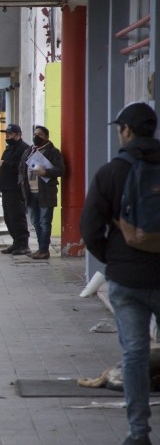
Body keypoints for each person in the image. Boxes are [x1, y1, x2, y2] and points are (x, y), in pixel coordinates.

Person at [81, 102, 160, 445]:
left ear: (126, 130)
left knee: (134, 353)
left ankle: (138, 432)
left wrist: (113, 258)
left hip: (126, 279)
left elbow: (89, 228)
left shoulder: (111, 173)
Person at [18, 125, 65, 260]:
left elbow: (61, 170)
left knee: (45, 222)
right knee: (35, 221)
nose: (36, 136)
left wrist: (46, 172)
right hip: (30, 192)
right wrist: (21, 181)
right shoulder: (28, 151)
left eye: (40, 134)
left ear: (47, 137)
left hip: (46, 193)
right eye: (35, 134)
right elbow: (21, 168)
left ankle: (44, 250)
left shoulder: (53, 152)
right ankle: (40, 248)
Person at [0, 124, 31, 255]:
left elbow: (22, 167)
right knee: (9, 217)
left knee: (17, 217)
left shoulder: (24, 148)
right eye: (6, 134)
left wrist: (5, 163)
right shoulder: (9, 148)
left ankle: (23, 244)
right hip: (7, 188)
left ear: (18, 135)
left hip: (16, 189)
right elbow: (3, 170)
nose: (7, 136)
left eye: (10, 134)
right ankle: (16, 242)